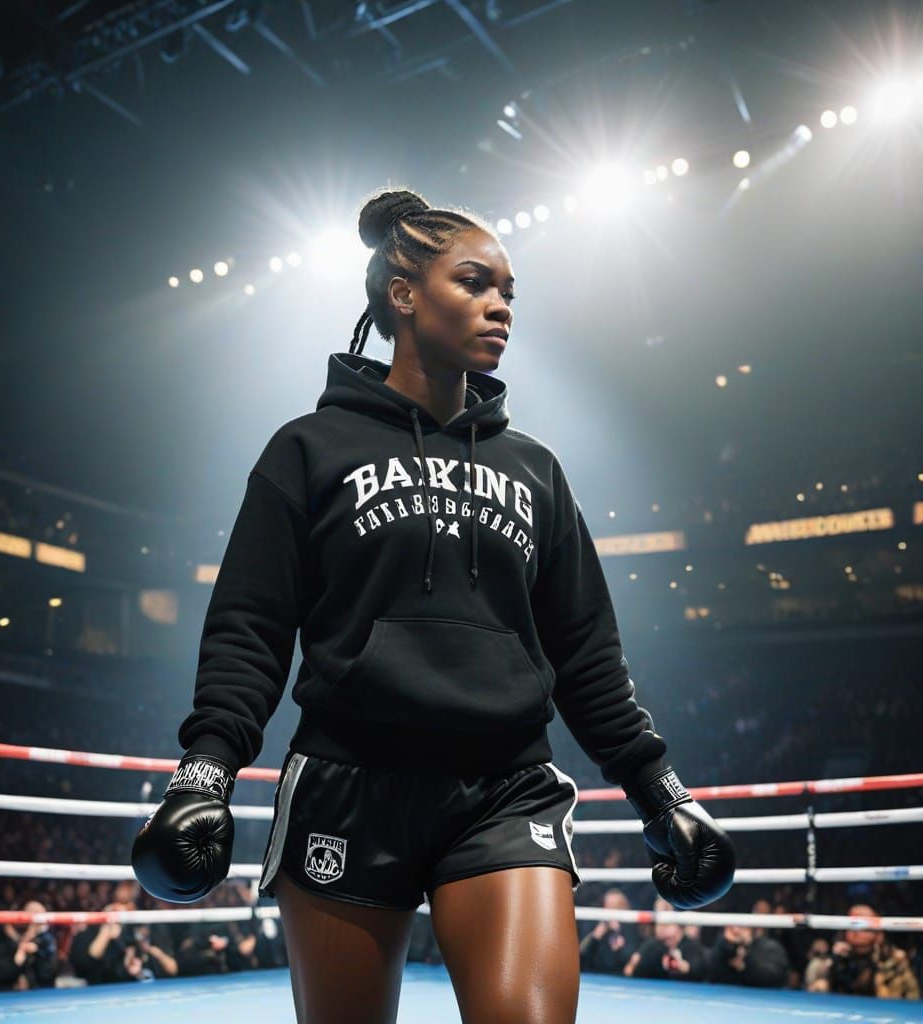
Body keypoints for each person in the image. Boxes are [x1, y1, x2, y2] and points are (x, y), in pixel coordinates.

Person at [132, 186, 736, 1024]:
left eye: (509, 293)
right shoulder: (308, 448)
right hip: (348, 782)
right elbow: (251, 628)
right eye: (476, 283)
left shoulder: (536, 470)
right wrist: (205, 774)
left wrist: (662, 793)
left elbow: (587, 652)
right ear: (403, 293)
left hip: (505, 789)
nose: (501, 307)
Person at [624, 897, 707, 982]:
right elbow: (629, 970)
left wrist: (683, 967)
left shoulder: (692, 946)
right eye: (660, 924)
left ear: (678, 925)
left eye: (667, 924)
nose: (663, 928)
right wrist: (636, 965)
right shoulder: (652, 946)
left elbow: (700, 972)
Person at [578, 889, 638, 975]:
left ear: (625, 908)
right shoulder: (593, 923)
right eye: (610, 906)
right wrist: (596, 937)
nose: (613, 911)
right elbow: (582, 956)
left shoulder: (631, 928)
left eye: (617, 906)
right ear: (604, 907)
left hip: (621, 977)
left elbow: (630, 958)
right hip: (593, 975)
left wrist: (619, 932)